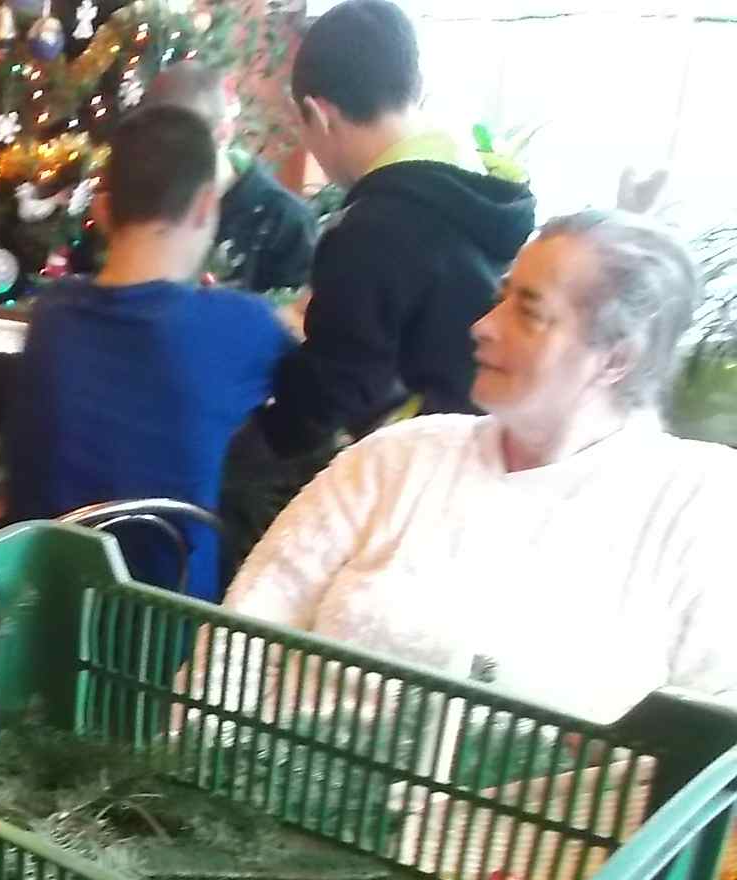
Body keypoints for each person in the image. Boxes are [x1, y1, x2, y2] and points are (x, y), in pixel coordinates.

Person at [225, 211, 737, 723]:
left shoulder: (701, 504)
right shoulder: (394, 458)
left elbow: (710, 734)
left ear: (616, 359)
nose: (483, 327)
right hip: (282, 765)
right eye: (501, 299)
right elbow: (245, 632)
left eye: (529, 312)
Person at [3, 107, 294, 601]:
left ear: (103, 211)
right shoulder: (241, 325)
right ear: (205, 206)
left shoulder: (52, 314)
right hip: (173, 623)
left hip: (45, 606)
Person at [257, 0, 535, 458]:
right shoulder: (482, 184)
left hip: (418, 465)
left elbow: (328, 400)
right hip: (492, 447)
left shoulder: (371, 230)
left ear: (319, 114)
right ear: (416, 86)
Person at [144, 62, 317, 295]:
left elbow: (297, 312)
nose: (173, 164)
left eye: (187, 148)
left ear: (224, 132)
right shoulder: (144, 204)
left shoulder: (285, 221)